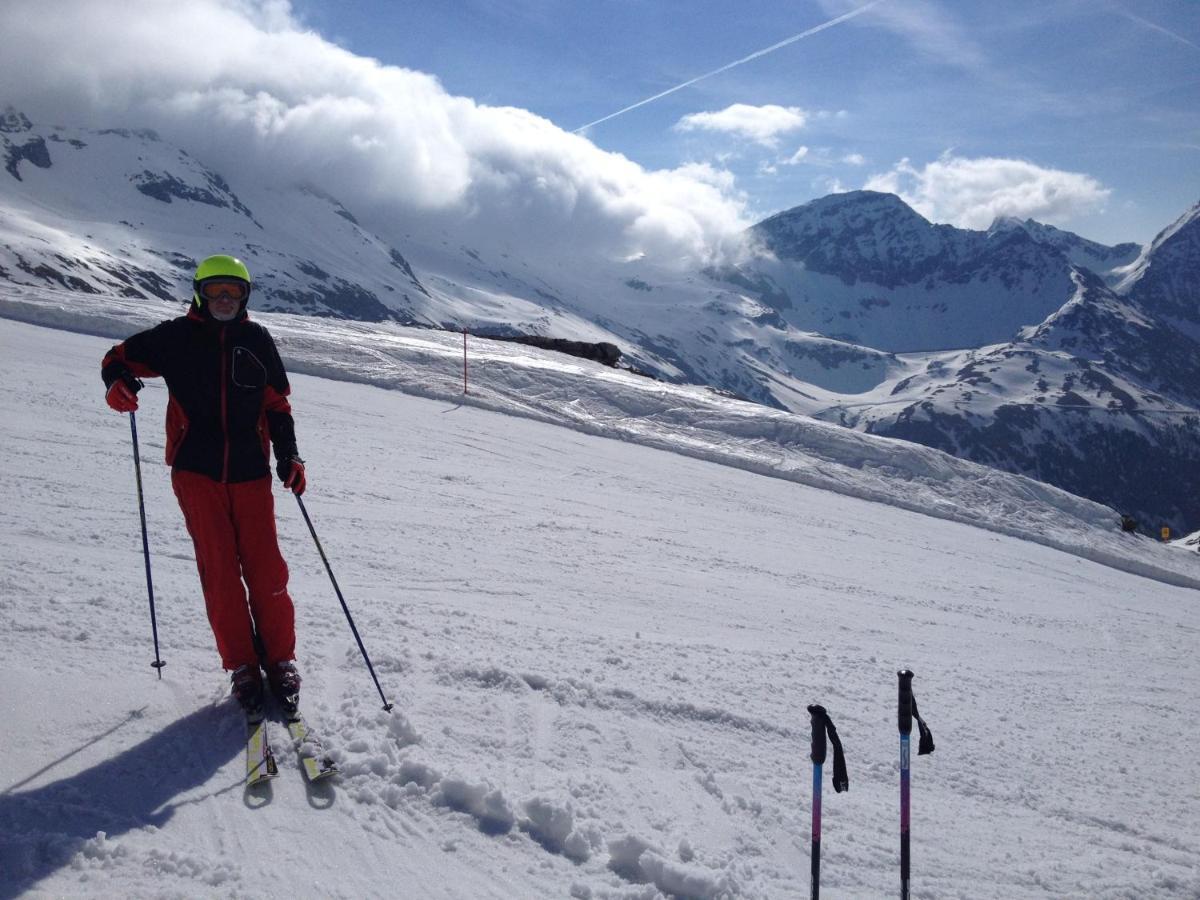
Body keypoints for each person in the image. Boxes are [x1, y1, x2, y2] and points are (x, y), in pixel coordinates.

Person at [101, 254, 306, 716]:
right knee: (219, 572)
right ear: (200, 292)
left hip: (251, 472)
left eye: (233, 292)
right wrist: (117, 383)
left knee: (267, 571)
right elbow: (116, 359)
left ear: (245, 297)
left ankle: (280, 659)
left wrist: (289, 454)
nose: (224, 299)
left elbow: (277, 404)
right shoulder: (176, 337)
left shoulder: (256, 339)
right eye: (216, 290)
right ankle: (242, 665)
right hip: (196, 471)